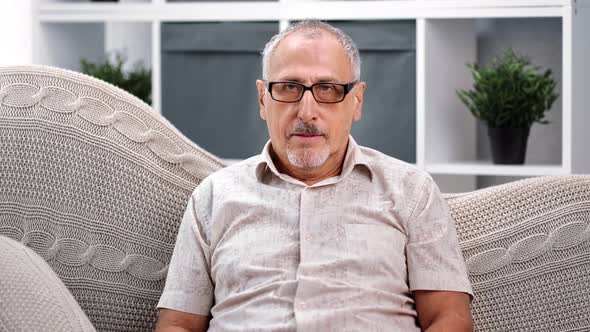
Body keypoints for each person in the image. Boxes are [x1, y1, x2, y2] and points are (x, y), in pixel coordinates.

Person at [155, 20, 473, 332]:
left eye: (328, 89)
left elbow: (449, 318)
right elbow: (178, 323)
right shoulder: (212, 197)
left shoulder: (412, 192)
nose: (307, 111)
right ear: (263, 99)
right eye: (289, 87)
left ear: (356, 101)